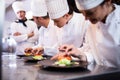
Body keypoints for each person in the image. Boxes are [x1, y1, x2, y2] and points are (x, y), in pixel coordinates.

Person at [52, 0, 120, 68]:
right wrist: (79, 53)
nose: (86, 18)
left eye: (90, 13)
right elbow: (94, 54)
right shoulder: (92, 26)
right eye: (83, 13)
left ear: (108, 1)